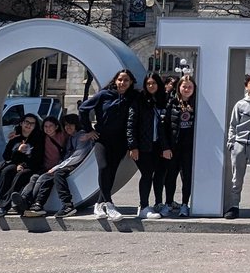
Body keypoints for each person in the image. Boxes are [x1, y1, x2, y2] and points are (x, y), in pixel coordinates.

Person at [79, 68, 139, 222]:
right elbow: (83, 109)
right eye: (120, 79)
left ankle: (99, 204)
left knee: (111, 172)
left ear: (131, 82)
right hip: (102, 139)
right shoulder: (104, 95)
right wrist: (89, 130)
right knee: (104, 167)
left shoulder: (132, 97)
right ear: (115, 80)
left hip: (120, 141)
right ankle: (109, 204)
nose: (122, 83)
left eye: (126, 80)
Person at [17, 114, 96, 218]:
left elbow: (77, 157)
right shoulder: (71, 137)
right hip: (63, 165)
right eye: (66, 125)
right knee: (41, 177)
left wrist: (56, 167)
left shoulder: (81, 136)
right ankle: (34, 203)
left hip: (78, 166)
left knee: (54, 174)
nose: (68, 127)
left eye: (71, 124)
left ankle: (66, 205)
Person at [224, 72, 250, 220]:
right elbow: (233, 124)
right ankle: (234, 206)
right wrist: (231, 141)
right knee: (237, 178)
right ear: (246, 85)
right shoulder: (240, 104)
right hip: (240, 144)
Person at [132, 72, 171, 219]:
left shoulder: (164, 100)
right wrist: (133, 146)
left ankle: (158, 203)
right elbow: (131, 124)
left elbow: (166, 127)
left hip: (158, 146)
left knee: (159, 175)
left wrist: (166, 147)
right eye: (148, 83)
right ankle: (143, 206)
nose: (151, 86)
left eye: (153, 83)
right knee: (147, 174)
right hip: (143, 146)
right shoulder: (139, 100)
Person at [0, 114, 44, 216]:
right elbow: (6, 156)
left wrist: (23, 165)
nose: (29, 125)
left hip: (31, 166)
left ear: (35, 126)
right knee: (7, 171)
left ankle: (4, 206)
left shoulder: (39, 138)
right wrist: (18, 151)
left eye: (32, 123)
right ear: (22, 123)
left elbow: (38, 158)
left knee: (20, 175)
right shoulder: (15, 137)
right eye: (27, 122)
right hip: (15, 164)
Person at [163, 75, 197, 217]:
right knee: (170, 177)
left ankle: (184, 204)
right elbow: (164, 127)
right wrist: (165, 147)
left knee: (187, 177)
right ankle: (169, 203)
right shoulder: (171, 103)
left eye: (190, 87)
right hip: (173, 147)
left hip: (189, 148)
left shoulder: (197, 104)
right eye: (184, 86)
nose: (187, 89)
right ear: (179, 88)